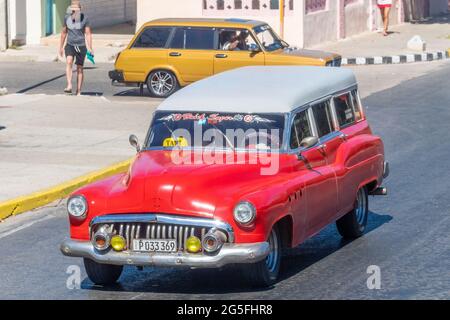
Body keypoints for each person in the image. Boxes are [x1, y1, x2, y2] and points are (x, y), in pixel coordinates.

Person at [58, 2, 93, 96]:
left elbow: (88, 33)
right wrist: (61, 47)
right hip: (70, 44)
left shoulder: (85, 18)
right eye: (73, 9)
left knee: (79, 68)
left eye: (76, 9)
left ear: (80, 9)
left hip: (81, 46)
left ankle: (78, 90)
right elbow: (63, 33)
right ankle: (69, 85)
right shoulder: (67, 18)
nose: (74, 11)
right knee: (69, 61)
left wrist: (90, 47)